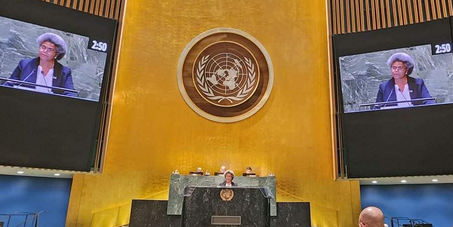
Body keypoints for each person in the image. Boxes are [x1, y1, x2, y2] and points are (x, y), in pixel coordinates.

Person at [4, 32, 76, 96]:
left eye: (50, 49)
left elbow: (70, 95)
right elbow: (9, 85)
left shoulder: (64, 72)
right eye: (43, 47)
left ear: (56, 54)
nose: (44, 51)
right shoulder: (24, 64)